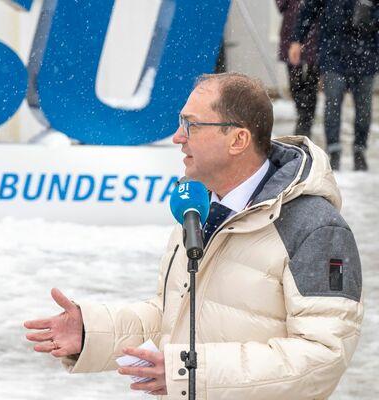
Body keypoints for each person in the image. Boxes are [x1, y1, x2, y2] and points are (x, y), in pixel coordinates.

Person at [24, 73, 363, 399]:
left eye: (192, 125)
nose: (177, 136)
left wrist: (191, 372)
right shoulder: (198, 209)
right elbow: (174, 316)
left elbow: (323, 358)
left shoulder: (315, 227)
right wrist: (91, 332)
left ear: (238, 140)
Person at [290, 0, 379, 171]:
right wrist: (296, 39)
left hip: (366, 54)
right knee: (333, 103)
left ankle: (359, 151)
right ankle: (334, 150)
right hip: (334, 53)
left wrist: (371, 16)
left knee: (364, 107)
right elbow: (309, 10)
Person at [276, 0, 320, 137]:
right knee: (295, 82)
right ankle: (302, 114)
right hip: (291, 31)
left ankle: (306, 121)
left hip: (315, 34)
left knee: (311, 82)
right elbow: (280, 6)